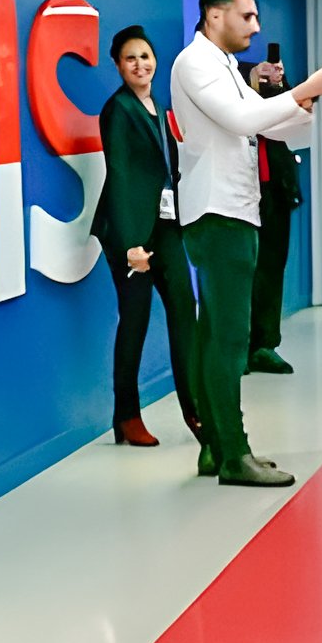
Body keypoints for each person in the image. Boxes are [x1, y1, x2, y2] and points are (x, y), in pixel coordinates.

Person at [172, 0, 322, 487]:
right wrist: (304, 90)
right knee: (228, 339)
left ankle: (217, 449)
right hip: (218, 214)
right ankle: (233, 456)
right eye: (247, 16)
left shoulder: (221, 65)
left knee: (215, 336)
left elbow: (270, 126)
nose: (256, 26)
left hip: (235, 211)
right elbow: (244, 118)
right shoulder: (195, 63)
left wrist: (301, 105)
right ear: (214, 15)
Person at [90, 25, 198, 450]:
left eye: (146, 56)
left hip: (165, 225)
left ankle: (196, 409)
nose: (141, 64)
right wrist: (132, 243)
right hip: (128, 232)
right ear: (117, 65)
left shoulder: (157, 105)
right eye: (131, 58)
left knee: (184, 316)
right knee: (134, 323)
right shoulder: (117, 110)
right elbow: (119, 175)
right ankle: (127, 417)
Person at [247, 58, 305, 370]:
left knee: (272, 266)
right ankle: (240, 346)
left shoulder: (277, 89)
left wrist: (281, 85)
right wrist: (253, 80)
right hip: (240, 190)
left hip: (275, 190)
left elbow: (297, 115)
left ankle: (264, 344)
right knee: (243, 270)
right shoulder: (230, 80)